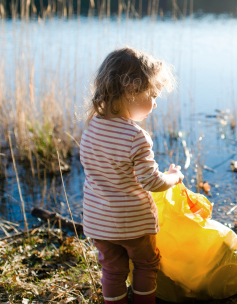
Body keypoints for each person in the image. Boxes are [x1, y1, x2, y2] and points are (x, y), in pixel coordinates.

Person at [80, 47, 184, 304]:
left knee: (112, 270)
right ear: (131, 91)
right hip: (133, 222)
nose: (155, 103)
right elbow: (152, 181)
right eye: (153, 95)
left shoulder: (91, 126)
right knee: (146, 265)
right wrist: (174, 177)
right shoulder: (136, 136)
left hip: (99, 222)